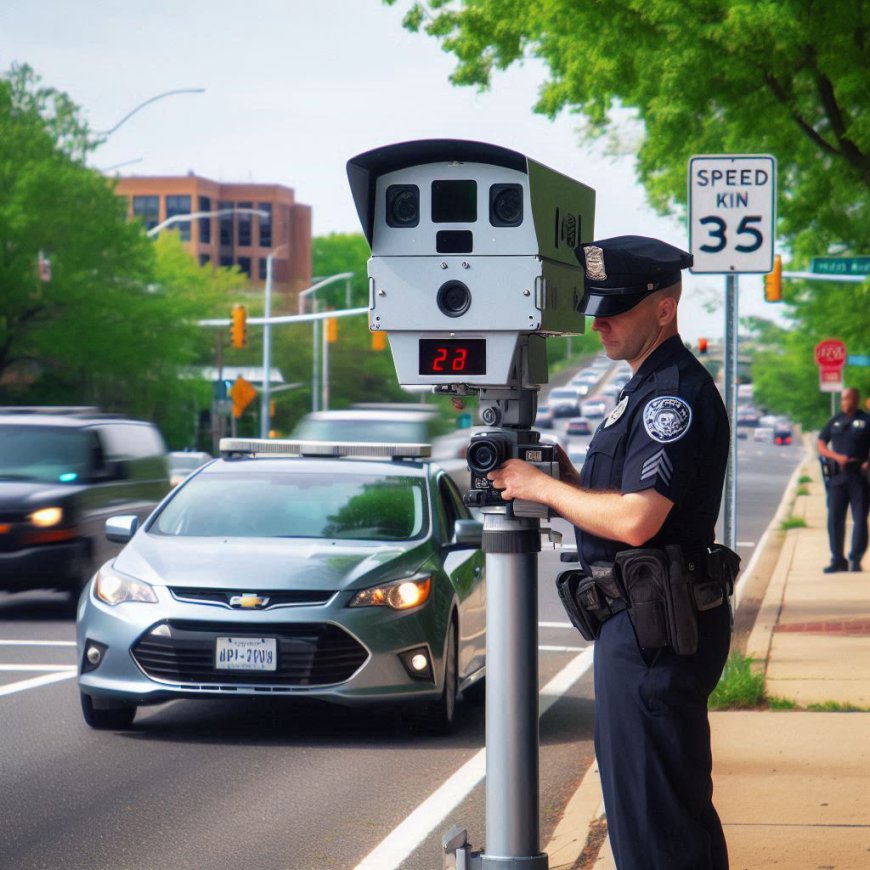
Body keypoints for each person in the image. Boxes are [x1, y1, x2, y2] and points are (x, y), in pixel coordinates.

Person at [487, 235, 735, 869]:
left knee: (655, 829)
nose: (600, 321)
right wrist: (567, 482)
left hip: (654, 629)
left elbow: (637, 520)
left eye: (617, 307)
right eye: (597, 306)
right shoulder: (641, 388)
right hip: (643, 625)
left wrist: (540, 487)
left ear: (663, 309)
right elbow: (623, 501)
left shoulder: (670, 396)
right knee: (663, 815)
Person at [817, 387, 870, 572]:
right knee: (834, 519)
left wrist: (867, 463)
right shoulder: (836, 420)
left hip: (858, 476)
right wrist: (834, 456)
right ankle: (838, 560)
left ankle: (855, 559)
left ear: (855, 400)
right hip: (837, 477)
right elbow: (821, 442)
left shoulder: (866, 420)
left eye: (846, 399)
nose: (843, 402)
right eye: (841, 399)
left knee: (860, 518)